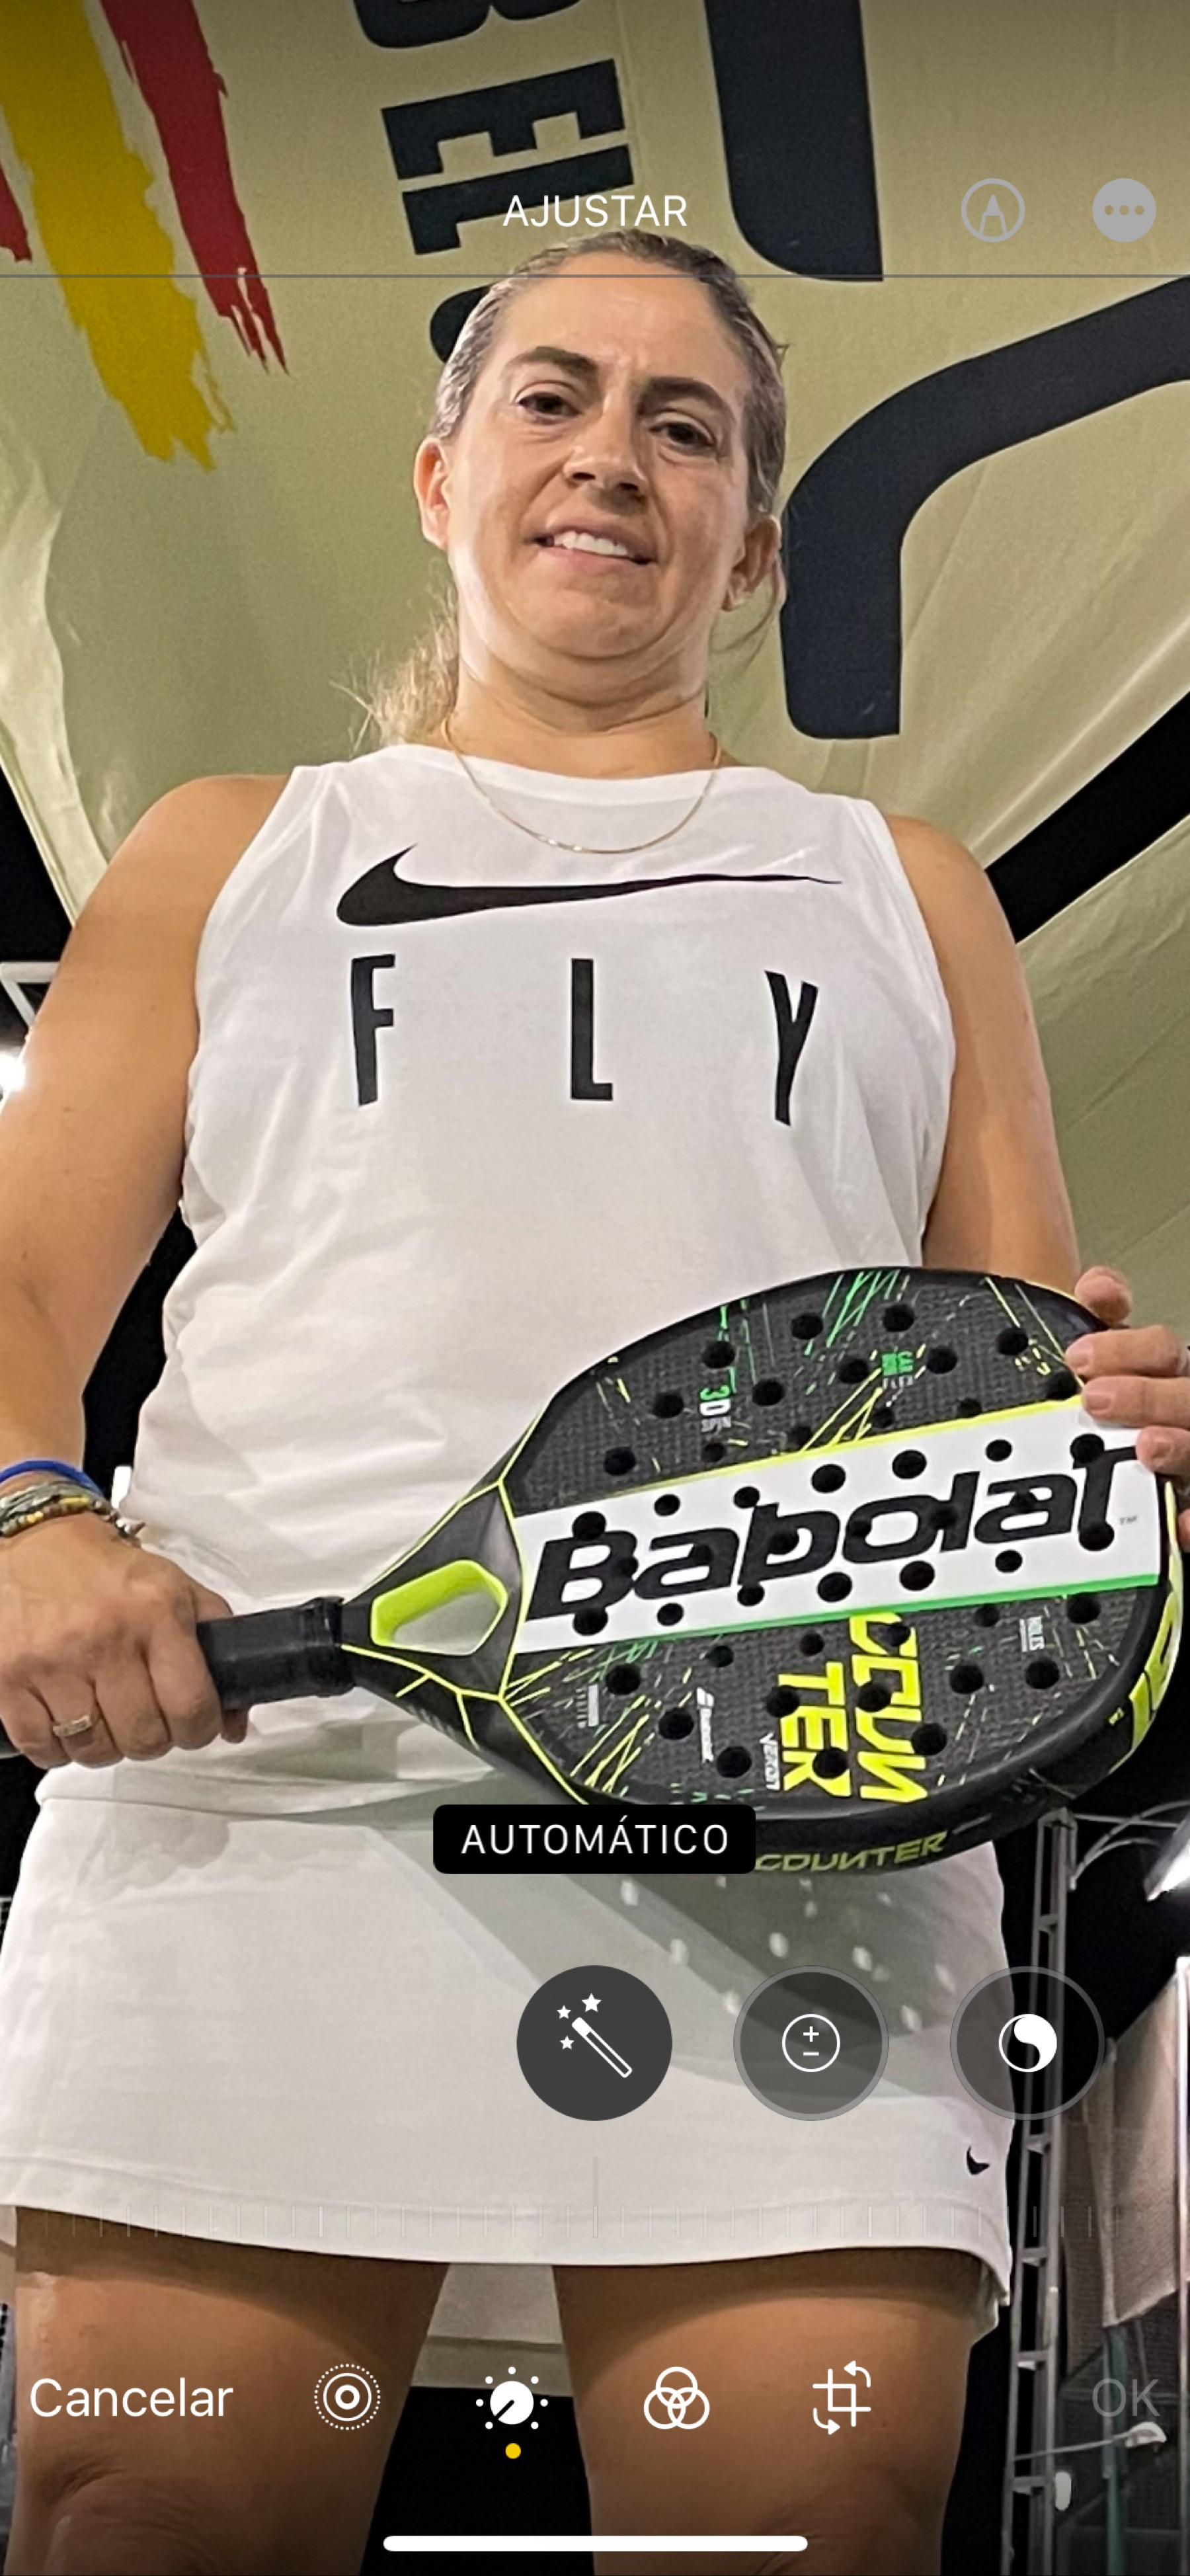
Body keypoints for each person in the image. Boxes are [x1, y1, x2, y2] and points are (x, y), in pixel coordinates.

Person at [0, 231, 1186, 2576]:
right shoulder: (233, 845)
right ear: (443, 477)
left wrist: (1120, 1443)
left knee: (809, 2521)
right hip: (267, 1813)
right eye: (553, 399)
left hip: (793, 1836)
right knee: (143, 2510)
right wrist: (36, 1511)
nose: (613, 456)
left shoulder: (903, 889)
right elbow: (25, 1275)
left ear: (753, 547)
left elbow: (1008, 1375)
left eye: (684, 426)